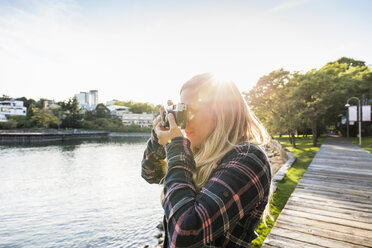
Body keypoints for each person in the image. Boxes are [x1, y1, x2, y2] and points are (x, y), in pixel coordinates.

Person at [142, 73, 272, 247]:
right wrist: (159, 135)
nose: (184, 121)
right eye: (182, 111)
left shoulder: (248, 159)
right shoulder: (199, 150)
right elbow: (150, 173)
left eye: (192, 111)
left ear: (222, 112)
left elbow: (184, 233)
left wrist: (175, 146)